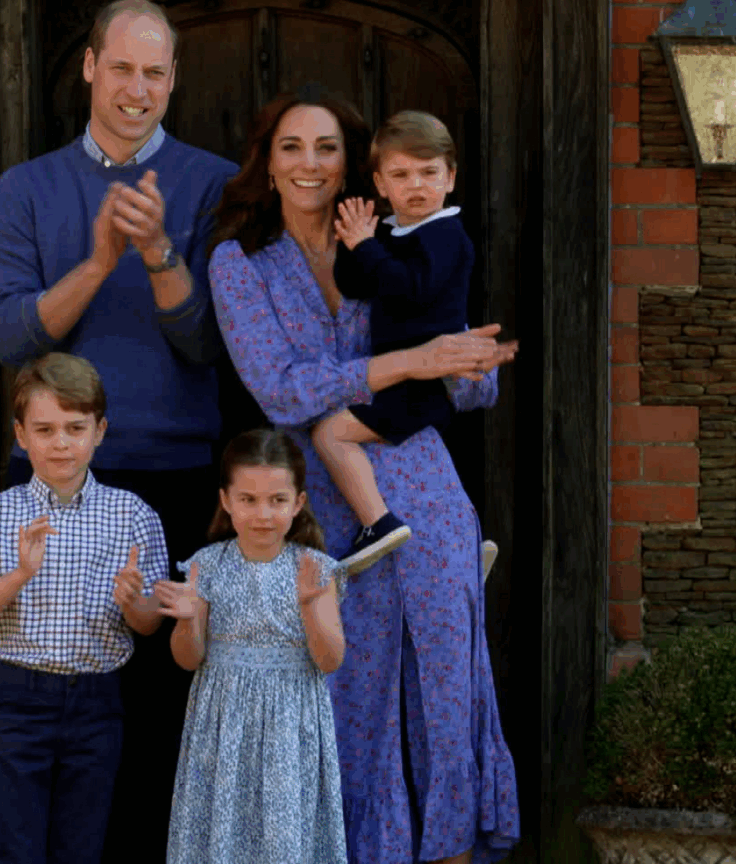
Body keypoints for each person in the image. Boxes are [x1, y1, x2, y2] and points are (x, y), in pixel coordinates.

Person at [206, 85, 522, 864]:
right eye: (292, 147)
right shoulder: (239, 262)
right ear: (267, 164)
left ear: (355, 167)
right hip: (320, 501)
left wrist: (469, 363)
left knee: (448, 686)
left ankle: (451, 849)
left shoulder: (395, 235)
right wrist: (412, 361)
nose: (309, 164)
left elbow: (464, 375)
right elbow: (280, 388)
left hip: (424, 480)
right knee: (348, 696)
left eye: (326, 148)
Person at [0, 2, 239, 858]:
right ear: (89, 67)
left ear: (173, 81)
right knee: (46, 709)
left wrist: (161, 252)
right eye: (121, 69)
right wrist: (97, 261)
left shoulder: (214, 185)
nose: (137, 90)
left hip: (172, 476)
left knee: (161, 713)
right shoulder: (27, 188)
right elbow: (10, 337)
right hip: (53, 479)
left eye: (155, 74)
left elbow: (209, 344)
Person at [0, 352, 167, 864]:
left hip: (97, 701)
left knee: (82, 847)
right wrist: (20, 574)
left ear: (100, 431)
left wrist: (135, 602)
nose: (61, 443)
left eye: (75, 428)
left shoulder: (132, 514)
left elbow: (150, 624)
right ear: (21, 435)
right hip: (19, 699)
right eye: (45, 429)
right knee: (14, 848)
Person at [156, 429, 347, 863]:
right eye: (248, 499)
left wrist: (312, 607)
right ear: (226, 500)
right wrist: (187, 620)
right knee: (223, 831)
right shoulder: (207, 565)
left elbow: (330, 659)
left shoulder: (315, 569)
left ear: (298, 503)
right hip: (222, 726)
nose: (263, 513)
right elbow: (188, 658)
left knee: (283, 838)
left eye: (277, 500)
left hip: (289, 727)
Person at [313, 110, 473, 575]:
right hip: (399, 377)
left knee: (330, 433)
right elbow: (357, 284)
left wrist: (368, 245)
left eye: (429, 173)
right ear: (381, 185)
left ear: (451, 177)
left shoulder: (447, 235)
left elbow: (409, 289)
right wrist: (353, 241)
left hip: (423, 385)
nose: (416, 186)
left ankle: (377, 523)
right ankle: (452, 546)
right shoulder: (394, 233)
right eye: (401, 175)